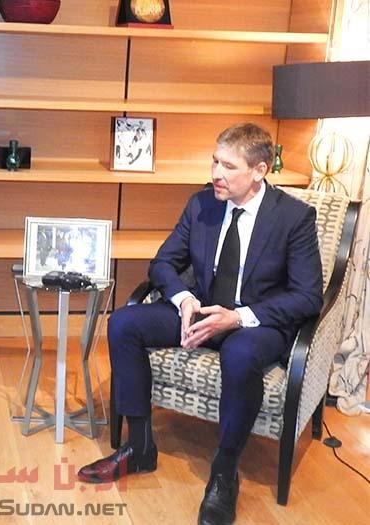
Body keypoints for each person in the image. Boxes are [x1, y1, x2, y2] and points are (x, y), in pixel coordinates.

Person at [77, 123, 323, 525]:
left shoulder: (293, 218)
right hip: (202, 309)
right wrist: (184, 299)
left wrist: (237, 317)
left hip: (254, 323)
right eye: (214, 161)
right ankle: (139, 447)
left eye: (228, 166)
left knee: (240, 355)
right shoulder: (202, 204)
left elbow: (308, 296)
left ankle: (224, 473)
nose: (216, 174)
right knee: (123, 323)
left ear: (260, 171)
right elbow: (163, 263)